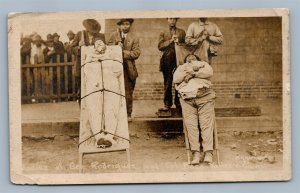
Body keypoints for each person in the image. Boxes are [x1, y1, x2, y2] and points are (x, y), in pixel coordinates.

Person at [173, 54, 216, 165]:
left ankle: (208, 153)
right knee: (191, 126)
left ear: (198, 59)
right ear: (185, 60)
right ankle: (196, 153)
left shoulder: (203, 65)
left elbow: (209, 73)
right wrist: (190, 70)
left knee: (205, 125)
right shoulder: (181, 67)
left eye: (193, 57)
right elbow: (176, 79)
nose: (191, 58)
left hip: (204, 97)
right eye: (188, 57)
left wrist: (193, 74)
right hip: (187, 99)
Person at [81, 40, 124, 147]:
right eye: (96, 43)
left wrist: (109, 72)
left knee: (111, 110)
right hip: (95, 86)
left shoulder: (112, 54)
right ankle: (98, 136)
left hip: (111, 85)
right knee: (95, 110)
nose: (99, 44)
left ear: (105, 45)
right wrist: (95, 80)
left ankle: (109, 136)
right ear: (94, 47)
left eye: (101, 42)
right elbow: (86, 70)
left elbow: (119, 69)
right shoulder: (90, 57)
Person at [107, 18, 141, 119]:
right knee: (114, 92)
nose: (125, 26)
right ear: (120, 26)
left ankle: (128, 114)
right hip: (115, 67)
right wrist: (116, 46)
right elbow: (108, 49)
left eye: (127, 24)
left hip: (128, 68)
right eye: (123, 24)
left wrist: (122, 51)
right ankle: (115, 115)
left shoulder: (134, 37)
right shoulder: (114, 35)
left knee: (128, 93)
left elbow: (136, 53)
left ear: (130, 25)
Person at [73, 19, 106, 102]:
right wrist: (78, 47)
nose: (93, 32)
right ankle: (83, 111)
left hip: (96, 68)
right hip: (81, 67)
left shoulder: (101, 36)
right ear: (86, 28)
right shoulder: (80, 34)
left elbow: (105, 50)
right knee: (81, 91)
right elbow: (69, 48)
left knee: (96, 90)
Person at [158, 18, 186, 113]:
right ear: (167, 20)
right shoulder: (163, 32)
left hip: (179, 60)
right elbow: (160, 46)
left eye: (174, 19)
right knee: (168, 82)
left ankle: (179, 104)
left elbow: (186, 46)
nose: (172, 21)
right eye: (170, 19)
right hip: (167, 61)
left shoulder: (181, 32)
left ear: (176, 20)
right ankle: (167, 104)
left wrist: (179, 42)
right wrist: (170, 41)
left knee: (180, 81)